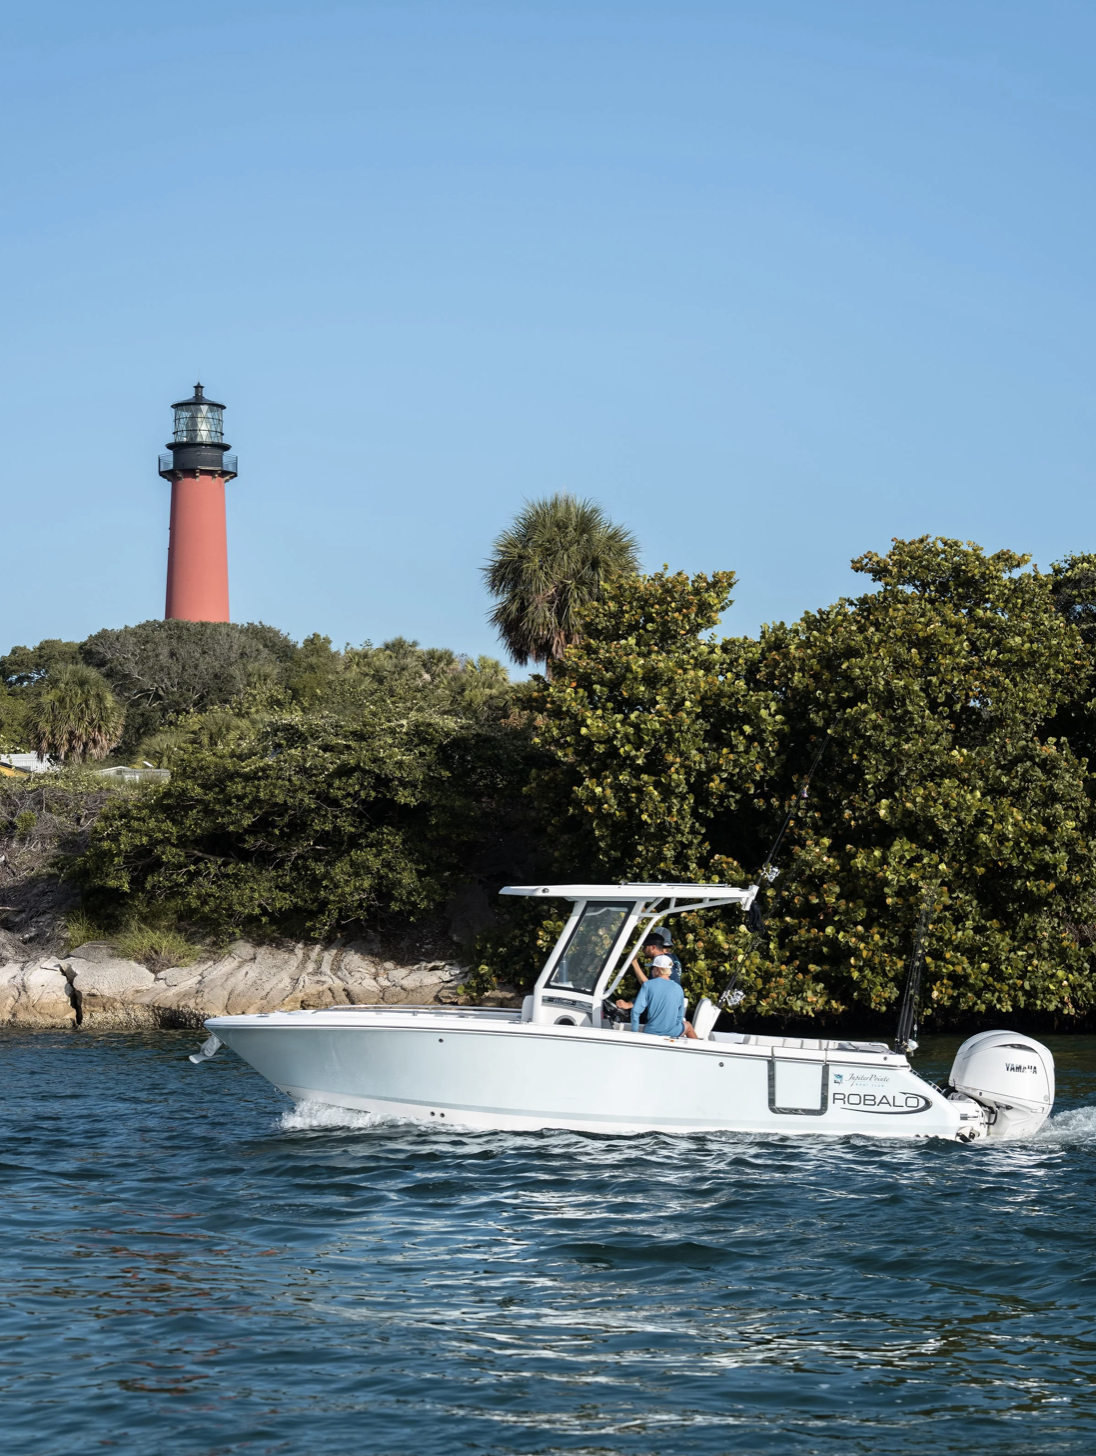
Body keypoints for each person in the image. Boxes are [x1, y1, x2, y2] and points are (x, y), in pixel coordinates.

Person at [630, 956, 686, 1037]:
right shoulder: (678, 988)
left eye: (652, 968)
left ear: (658, 969)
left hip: (651, 1032)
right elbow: (680, 1017)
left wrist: (634, 1032)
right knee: (688, 1026)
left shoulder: (648, 985)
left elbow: (635, 1011)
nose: (651, 971)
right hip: (672, 1033)